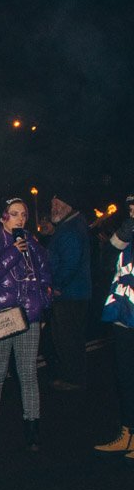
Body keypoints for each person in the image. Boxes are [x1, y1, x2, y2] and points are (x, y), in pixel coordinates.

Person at [0, 197, 53, 451]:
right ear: (3, 217)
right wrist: (12, 253)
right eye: (14, 213)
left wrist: (42, 309)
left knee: (28, 374)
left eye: (23, 214)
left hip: (28, 318)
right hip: (0, 317)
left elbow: (46, 279)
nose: (20, 219)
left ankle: (33, 431)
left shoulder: (34, 244)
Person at [94, 193, 134, 457]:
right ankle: (128, 433)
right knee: (125, 377)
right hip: (123, 315)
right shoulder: (126, 236)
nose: (132, 211)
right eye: (130, 207)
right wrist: (122, 235)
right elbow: (104, 262)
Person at [45, 192, 91, 391]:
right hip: (75, 293)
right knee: (71, 336)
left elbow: (70, 263)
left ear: (68, 205)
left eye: (58, 203)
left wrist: (57, 286)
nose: (54, 208)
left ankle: (72, 378)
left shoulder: (70, 229)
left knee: (66, 337)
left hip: (69, 295)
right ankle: (75, 374)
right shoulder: (72, 225)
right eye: (52, 204)